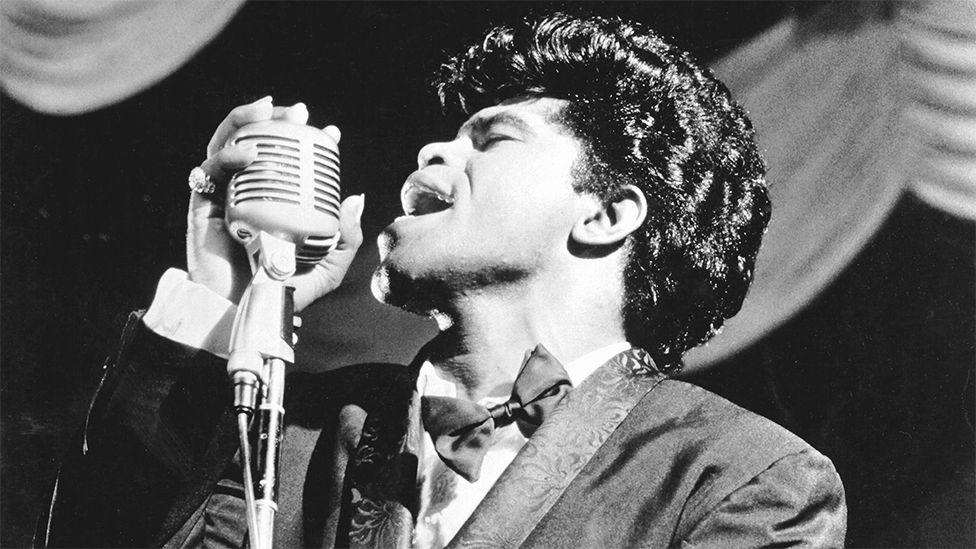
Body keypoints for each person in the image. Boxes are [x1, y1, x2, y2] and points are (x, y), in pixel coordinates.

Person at [36, 12, 846, 548]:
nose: (432, 154)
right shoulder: (302, 427)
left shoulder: (742, 478)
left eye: (492, 138)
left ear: (606, 215)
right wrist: (221, 292)